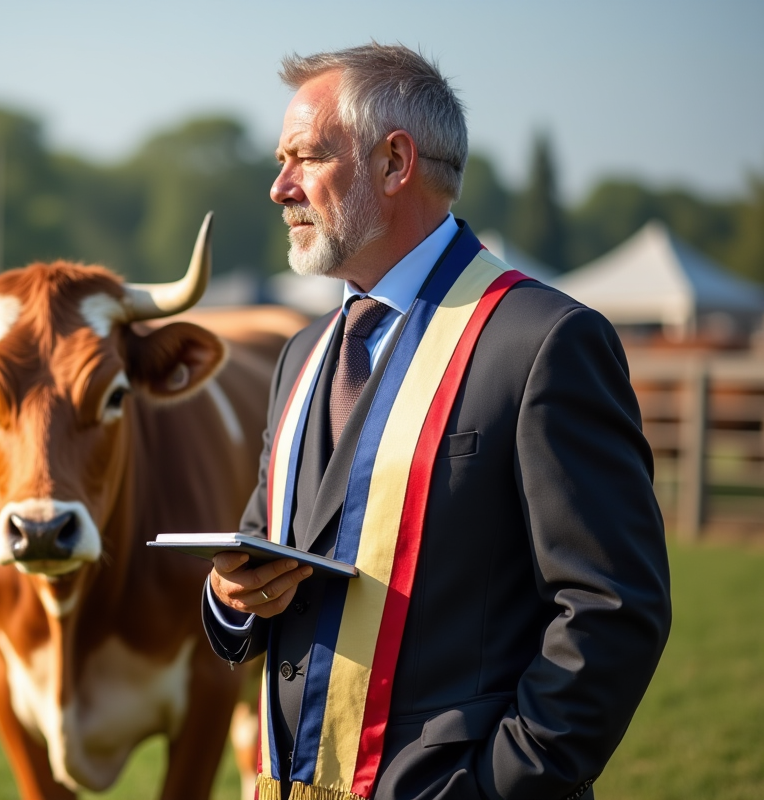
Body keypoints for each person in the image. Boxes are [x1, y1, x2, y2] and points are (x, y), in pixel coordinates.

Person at [202, 43, 671, 800]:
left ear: (395, 164)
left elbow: (611, 610)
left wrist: (498, 785)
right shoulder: (303, 355)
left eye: (305, 158)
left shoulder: (543, 341)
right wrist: (231, 599)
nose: (278, 186)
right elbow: (268, 551)